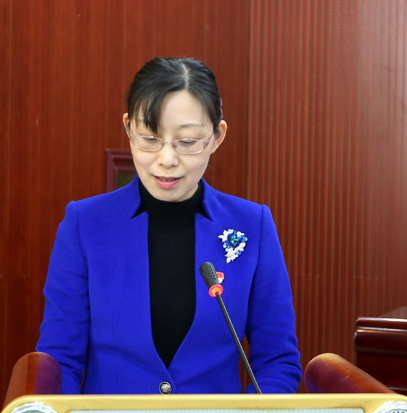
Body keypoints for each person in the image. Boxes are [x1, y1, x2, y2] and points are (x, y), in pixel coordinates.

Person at [37, 57, 302, 395]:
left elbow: (277, 361)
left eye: (187, 141)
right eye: (149, 138)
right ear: (128, 128)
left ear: (217, 136)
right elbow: (59, 361)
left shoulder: (253, 225)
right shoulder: (84, 224)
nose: (166, 159)